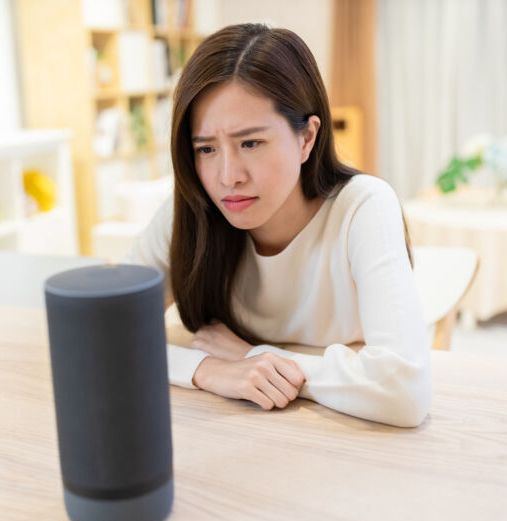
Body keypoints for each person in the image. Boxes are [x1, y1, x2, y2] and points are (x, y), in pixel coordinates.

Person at [123, 23, 431, 428]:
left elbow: (403, 392)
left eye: (250, 143)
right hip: (229, 432)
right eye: (206, 149)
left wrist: (251, 354)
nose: (227, 176)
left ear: (307, 138)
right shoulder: (192, 208)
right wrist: (207, 369)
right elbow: (104, 330)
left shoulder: (364, 207)